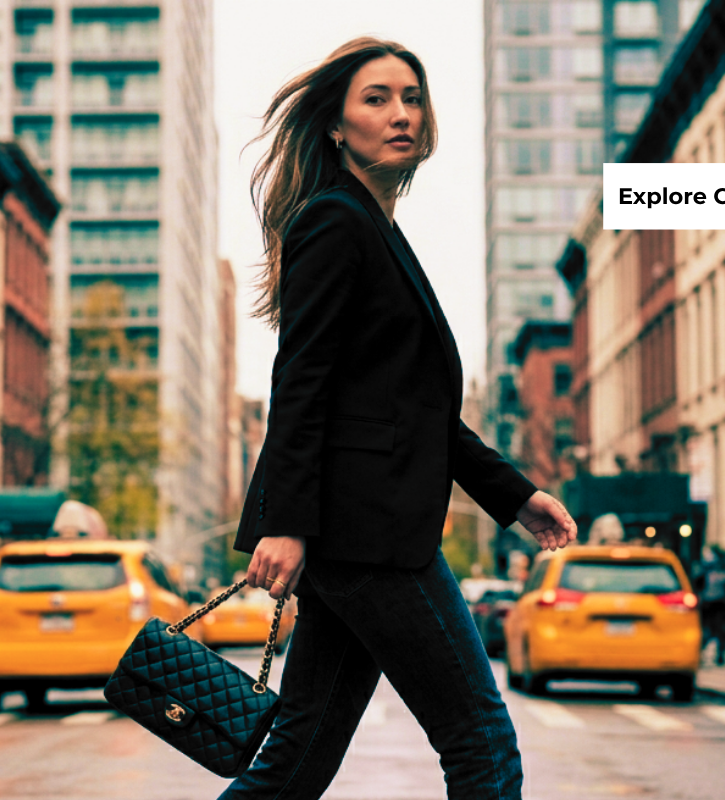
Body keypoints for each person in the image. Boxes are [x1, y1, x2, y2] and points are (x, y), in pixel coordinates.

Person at [225, 38, 579, 800]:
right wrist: (284, 522)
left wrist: (514, 495)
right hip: (368, 534)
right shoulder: (335, 221)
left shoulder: (374, 229)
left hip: (360, 531)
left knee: (296, 760)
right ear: (336, 125)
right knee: (481, 739)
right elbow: (302, 380)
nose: (400, 114)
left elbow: (415, 411)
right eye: (377, 99)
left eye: (411, 97)